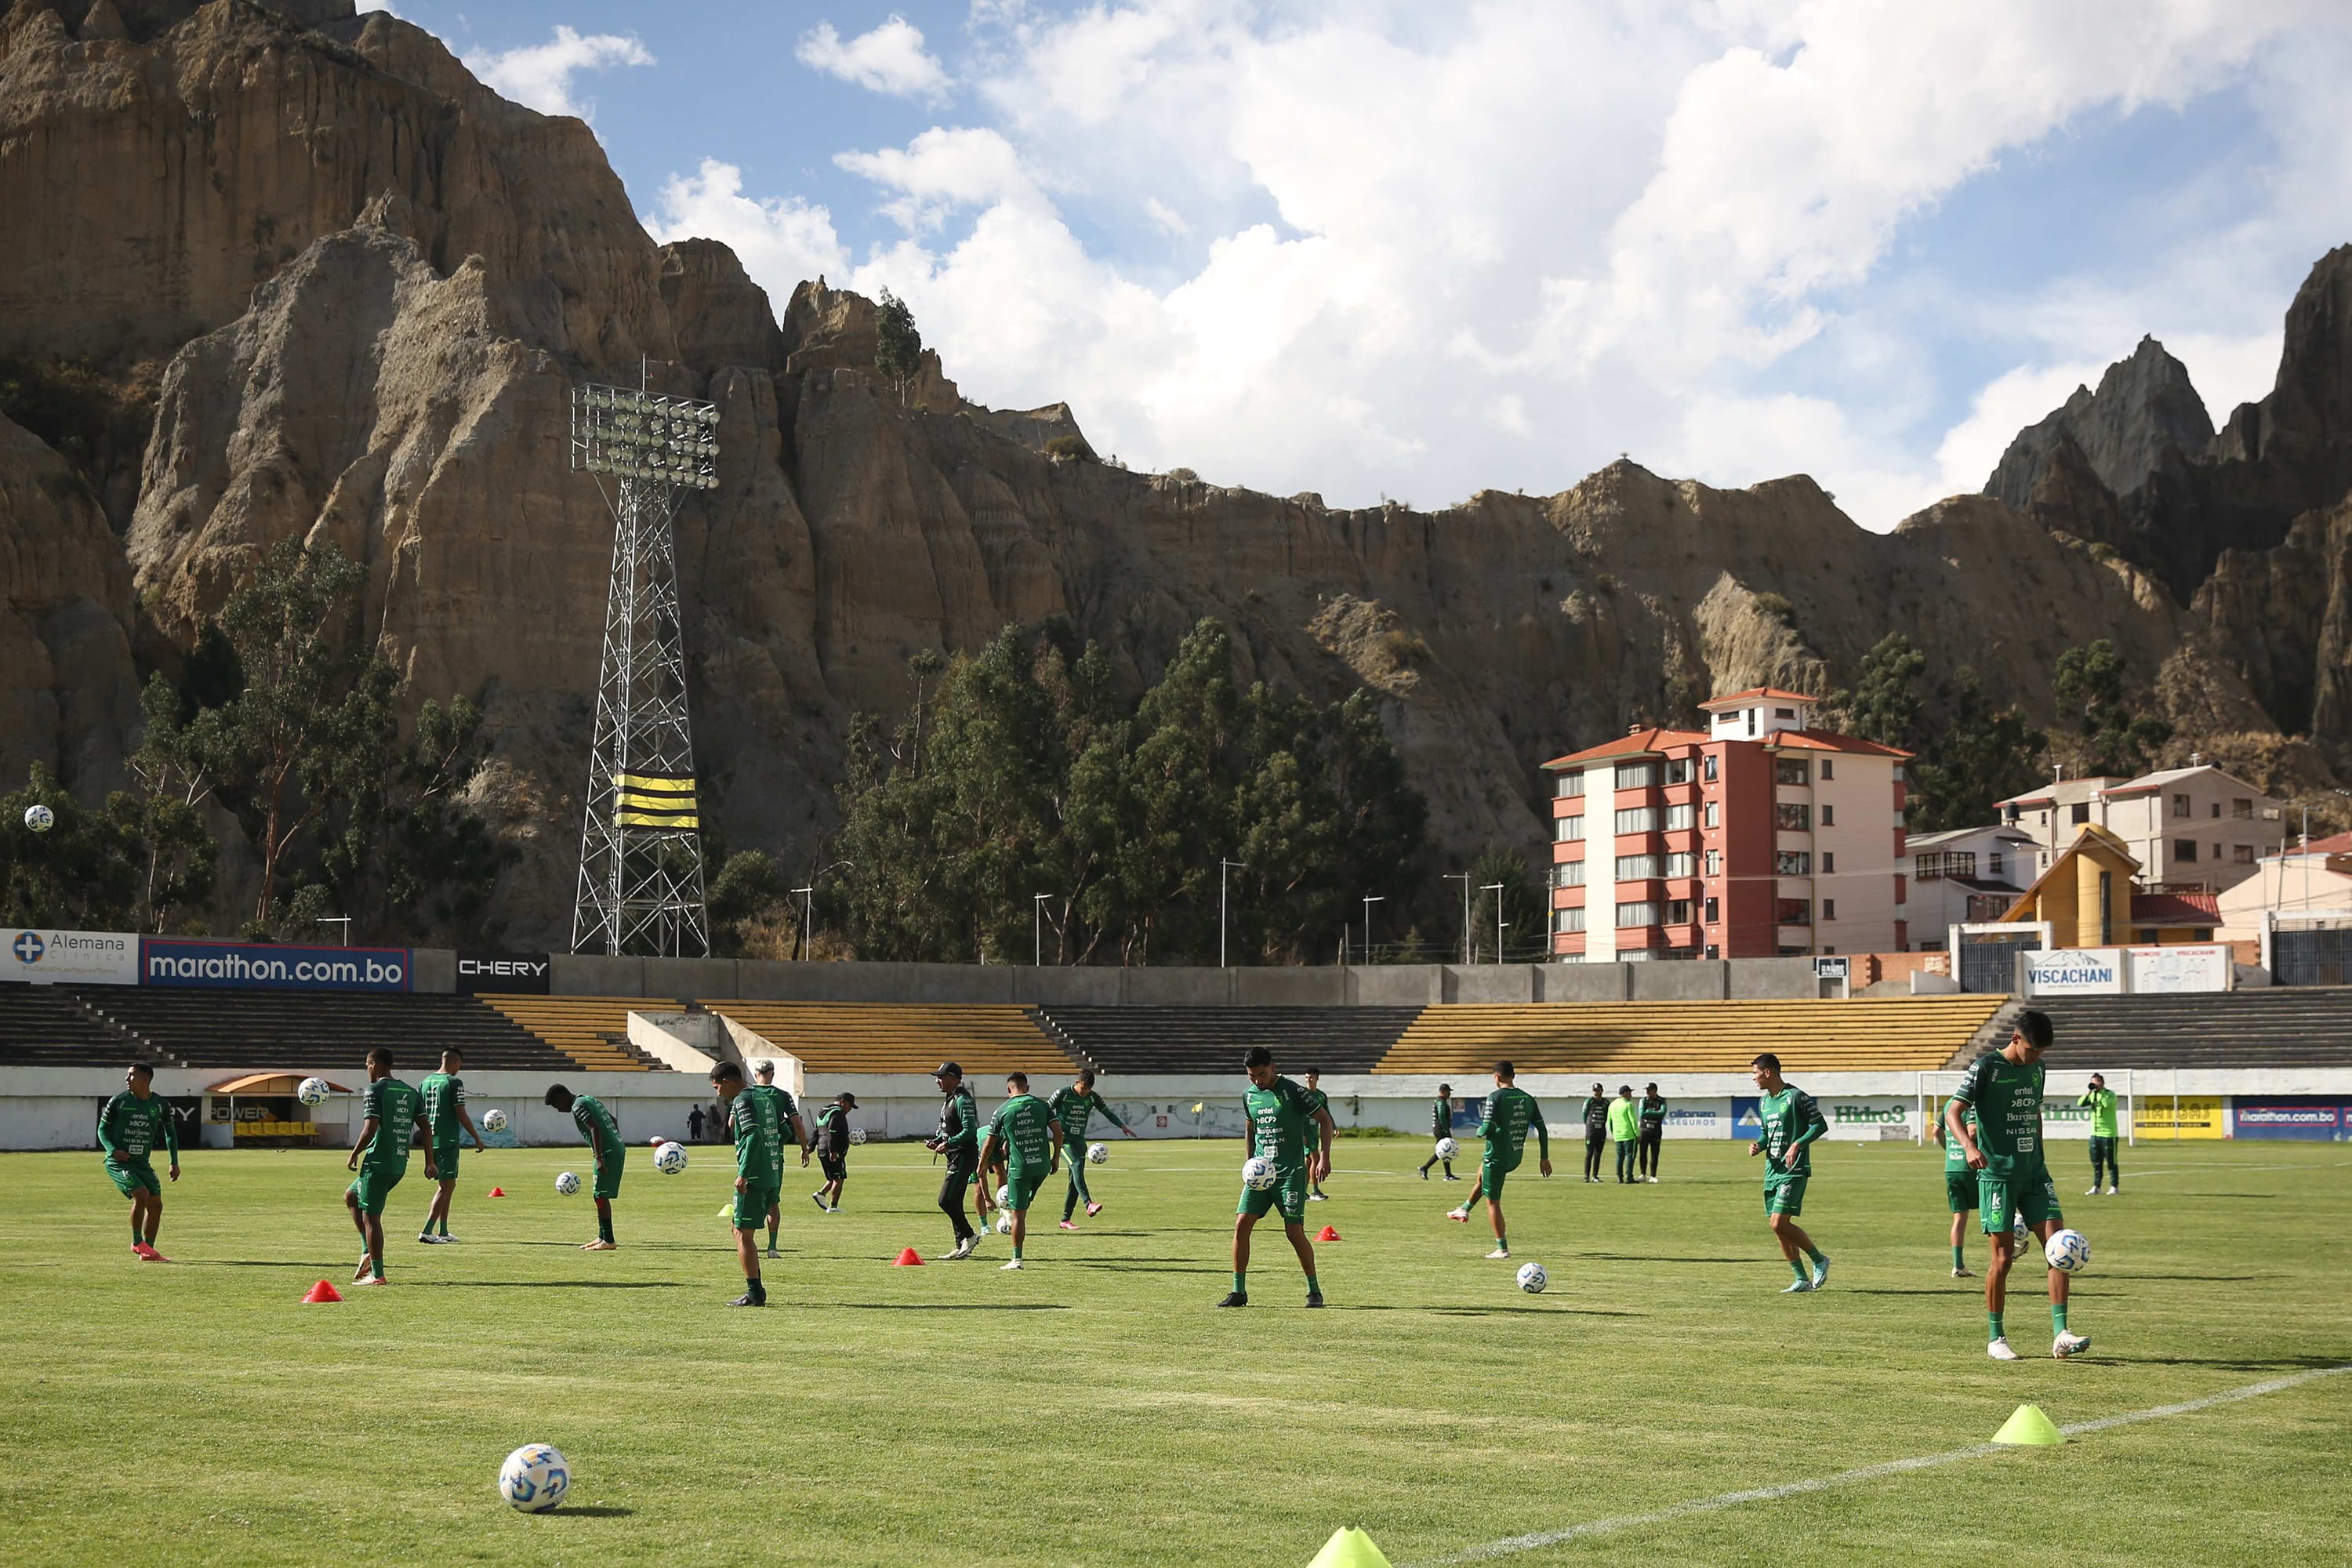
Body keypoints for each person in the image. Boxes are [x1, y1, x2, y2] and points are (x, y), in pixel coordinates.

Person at [1949, 1009, 2091, 1361]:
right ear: (2015, 1039)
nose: (2036, 1057)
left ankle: (2061, 1334)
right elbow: (1954, 1110)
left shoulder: (2038, 1068)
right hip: (1997, 1176)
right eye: (2032, 1050)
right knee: (2002, 1259)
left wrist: (2040, 1156)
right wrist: (1969, 1147)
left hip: (2035, 1175)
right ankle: (1996, 1337)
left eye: (2042, 1052)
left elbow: (2034, 1112)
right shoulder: (1986, 1068)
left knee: (2059, 1247)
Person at [1218, 1047, 1337, 1308]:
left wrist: (1325, 1157)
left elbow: (1325, 1120)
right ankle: (1239, 1291)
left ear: (1272, 1067)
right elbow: (1250, 1128)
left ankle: (1314, 1291)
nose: (1257, 1081)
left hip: (1290, 1173)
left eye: (1261, 1074)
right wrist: (1249, 1162)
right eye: (1251, 1076)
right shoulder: (1249, 1096)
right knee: (1241, 1226)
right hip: (1260, 1175)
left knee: (1293, 1231)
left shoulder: (1292, 1091)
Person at [1446, 1061, 1551, 1258]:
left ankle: (1502, 1248)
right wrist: (1544, 1158)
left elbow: (1486, 1129)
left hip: (1496, 1156)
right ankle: (1464, 1209)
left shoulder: (1496, 1097)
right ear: (1514, 1075)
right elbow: (1542, 1129)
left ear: (1497, 1077)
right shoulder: (1527, 1098)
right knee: (1481, 1175)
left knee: (1493, 1202)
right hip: (1515, 1155)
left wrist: (1480, 1130)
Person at [346, 1047, 430, 1287]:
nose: (366, 1070)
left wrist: (354, 1154)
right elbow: (425, 1129)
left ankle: (378, 1274)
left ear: (373, 1064)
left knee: (371, 1217)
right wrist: (430, 1162)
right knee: (352, 1196)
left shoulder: (375, 1090)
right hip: (398, 1164)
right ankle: (366, 1251)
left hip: (377, 1162)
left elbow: (370, 1129)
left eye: (366, 1065)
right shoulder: (410, 1092)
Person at [1748, 1053, 1831, 1294]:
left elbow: (1820, 1124)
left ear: (1768, 1072)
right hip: (1772, 1170)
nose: (1753, 1078)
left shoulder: (1796, 1096)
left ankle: (1819, 1259)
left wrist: (1798, 1144)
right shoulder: (1764, 1102)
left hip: (1793, 1169)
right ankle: (1801, 1279)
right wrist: (1758, 1145)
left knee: (1778, 1223)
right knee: (1779, 1228)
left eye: (1755, 1073)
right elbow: (1766, 1133)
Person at [974, 1072, 1062, 1271]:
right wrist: (1055, 1156)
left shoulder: (1002, 1110)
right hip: (1042, 1166)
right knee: (1022, 1205)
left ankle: (1016, 1260)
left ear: (1008, 1090)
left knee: (1018, 1215)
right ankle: (1012, 1208)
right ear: (1027, 1088)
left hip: (1020, 1168)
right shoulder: (1042, 1105)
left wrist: (982, 1162)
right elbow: (1058, 1132)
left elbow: (990, 1142)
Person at [99, 1062, 180, 1261]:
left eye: (131, 1075)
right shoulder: (119, 1101)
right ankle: (136, 1242)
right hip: (118, 1163)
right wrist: (113, 1150)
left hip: (142, 1163)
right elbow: (102, 1130)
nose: (127, 1079)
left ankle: (148, 1250)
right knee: (141, 1194)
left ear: (145, 1080)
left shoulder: (160, 1104)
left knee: (156, 1205)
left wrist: (174, 1162)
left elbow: (170, 1133)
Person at [710, 1062, 771, 1306]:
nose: (718, 1093)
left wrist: (744, 1172)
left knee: (743, 1234)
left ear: (727, 1081)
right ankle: (756, 1289)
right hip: (768, 1172)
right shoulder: (761, 1097)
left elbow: (754, 1135)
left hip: (753, 1175)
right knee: (738, 1230)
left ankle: (755, 1295)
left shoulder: (742, 1100)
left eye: (717, 1087)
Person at [1049, 1069, 1137, 1228]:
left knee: (1075, 1181)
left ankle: (1065, 1220)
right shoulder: (1063, 1094)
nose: (1084, 1093)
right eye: (1083, 1089)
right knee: (1075, 1165)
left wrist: (1122, 1126)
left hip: (1079, 1142)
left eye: (1088, 1090)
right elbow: (1046, 1111)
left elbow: (1107, 1113)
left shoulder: (1092, 1097)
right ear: (1077, 1083)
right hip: (1062, 1141)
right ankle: (1088, 1203)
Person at [417, 1047, 488, 1245]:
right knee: (446, 1186)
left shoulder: (425, 1082)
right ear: (456, 1062)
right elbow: (461, 1113)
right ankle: (427, 1230)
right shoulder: (453, 1082)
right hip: (446, 1140)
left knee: (449, 1185)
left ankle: (443, 1231)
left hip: (430, 1140)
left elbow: (419, 1113)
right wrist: (477, 1137)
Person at [543, 1083, 625, 1249]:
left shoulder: (577, 1107)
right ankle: (602, 1237)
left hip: (607, 1153)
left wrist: (599, 1157)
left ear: (562, 1097)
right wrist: (615, 1140)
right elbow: (613, 1120)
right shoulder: (588, 1099)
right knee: (598, 1195)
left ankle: (608, 1240)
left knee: (600, 1195)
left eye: (556, 1106)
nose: (558, 1110)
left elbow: (594, 1128)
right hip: (613, 1148)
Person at [750, 1060, 808, 1258]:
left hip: (751, 1156)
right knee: (773, 1202)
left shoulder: (747, 1095)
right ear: (772, 1073)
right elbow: (797, 1124)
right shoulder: (782, 1096)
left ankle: (746, 1243)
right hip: (775, 1156)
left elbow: (732, 1123)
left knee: (748, 1200)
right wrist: (804, 1148)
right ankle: (772, 1247)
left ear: (755, 1072)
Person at [925, 1062, 983, 1259]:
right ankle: (961, 1246)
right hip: (955, 1155)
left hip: (964, 1156)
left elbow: (969, 1131)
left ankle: (969, 1235)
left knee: (946, 1200)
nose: (937, 1080)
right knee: (954, 1201)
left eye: (941, 1077)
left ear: (954, 1078)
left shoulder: (963, 1100)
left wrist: (949, 1143)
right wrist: (937, 1142)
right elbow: (947, 1129)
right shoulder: (950, 1099)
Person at [1938, 1094, 1978, 1278]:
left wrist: (1950, 1151)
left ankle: (1958, 1265)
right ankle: (2009, 1252)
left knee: (1959, 1217)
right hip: (1972, 1167)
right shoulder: (1972, 1103)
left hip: (1951, 1168)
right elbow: (1972, 1132)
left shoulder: (1949, 1103)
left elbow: (1936, 1131)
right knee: (1994, 1210)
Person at [810, 1091, 856, 1212]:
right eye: (850, 1105)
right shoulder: (838, 1113)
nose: (850, 1109)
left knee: (833, 1177)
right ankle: (833, 1207)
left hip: (822, 1149)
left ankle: (821, 1194)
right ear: (843, 1102)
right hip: (832, 1151)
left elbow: (816, 1130)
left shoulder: (824, 1111)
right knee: (839, 1178)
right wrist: (833, 1150)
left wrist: (810, 1147)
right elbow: (832, 1131)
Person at [2079, 1073, 2121, 1196]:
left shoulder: (2109, 1094)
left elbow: (2106, 1104)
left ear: (2102, 1083)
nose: (2094, 1085)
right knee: (2096, 1163)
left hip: (2108, 1134)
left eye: (2096, 1082)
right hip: (2095, 1134)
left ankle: (2114, 1186)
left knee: (2111, 1162)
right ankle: (2096, 1187)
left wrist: (2100, 1092)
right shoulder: (2092, 1095)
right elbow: (2080, 1103)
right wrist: (2088, 1093)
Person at [1301, 1069, 1333, 1200]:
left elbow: (1326, 1114)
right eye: (1307, 1077)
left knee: (1308, 1162)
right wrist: (1301, 1133)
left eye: (1311, 1078)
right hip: (1305, 1132)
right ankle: (1315, 1191)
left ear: (1317, 1078)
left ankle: (1302, 1192)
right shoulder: (1302, 1094)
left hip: (1314, 1132)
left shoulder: (1320, 1096)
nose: (1309, 1080)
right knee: (1316, 1158)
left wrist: (1334, 1127)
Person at [1417, 1085, 1460, 1181]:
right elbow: (1442, 1116)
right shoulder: (1441, 1102)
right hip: (1441, 1129)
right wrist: (1446, 1130)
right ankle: (1425, 1168)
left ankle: (1447, 1174)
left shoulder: (1438, 1101)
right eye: (1448, 1092)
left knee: (1444, 1151)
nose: (1450, 1094)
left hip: (1438, 1129)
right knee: (1444, 1150)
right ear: (1443, 1091)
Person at [1608, 1083, 1640, 1183]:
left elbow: (1610, 1121)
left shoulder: (1612, 1105)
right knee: (1630, 1155)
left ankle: (1620, 1177)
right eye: (1630, 1093)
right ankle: (1629, 1177)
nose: (1631, 1095)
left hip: (1618, 1135)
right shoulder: (1628, 1104)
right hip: (1628, 1134)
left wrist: (1614, 1133)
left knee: (1619, 1157)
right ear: (1625, 1093)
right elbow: (1633, 1121)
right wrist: (1637, 1134)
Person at [1635, 1083, 1667, 1182]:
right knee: (1643, 1153)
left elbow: (1662, 1113)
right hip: (1644, 1130)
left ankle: (1653, 1176)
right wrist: (1654, 1113)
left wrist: (1649, 1112)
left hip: (1656, 1131)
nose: (1647, 1092)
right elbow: (1642, 1114)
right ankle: (1643, 1174)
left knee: (1655, 1153)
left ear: (1654, 1090)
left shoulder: (1661, 1100)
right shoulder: (1643, 1100)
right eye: (1646, 1090)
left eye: (1649, 1090)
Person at [1580, 1082, 1608, 1181]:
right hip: (1591, 1131)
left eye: (1598, 1091)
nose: (1596, 1093)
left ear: (1602, 1091)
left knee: (1598, 1154)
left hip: (1601, 1131)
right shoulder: (1589, 1102)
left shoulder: (1605, 1103)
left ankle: (1595, 1176)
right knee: (1589, 1153)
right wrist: (1589, 1126)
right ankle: (1586, 1176)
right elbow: (1585, 1115)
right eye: (1595, 1091)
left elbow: (1607, 1116)